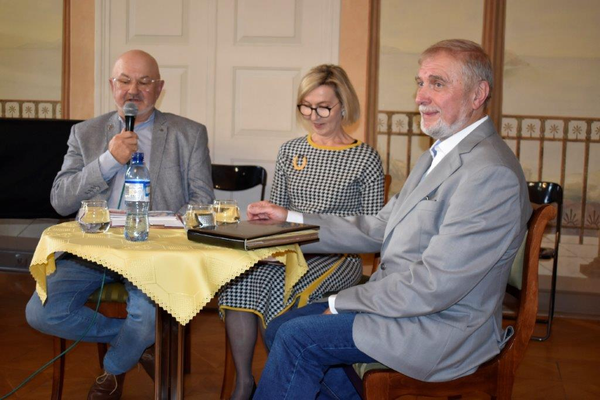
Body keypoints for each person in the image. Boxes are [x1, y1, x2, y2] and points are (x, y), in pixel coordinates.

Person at [247, 39, 533, 399]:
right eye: (420, 82)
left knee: (296, 336)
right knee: (282, 326)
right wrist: (289, 217)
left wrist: (339, 303)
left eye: (437, 83)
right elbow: (378, 227)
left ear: (478, 94)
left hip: (441, 328)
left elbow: (435, 284)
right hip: (407, 310)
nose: (420, 97)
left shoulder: (490, 173)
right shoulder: (441, 154)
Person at [25, 49, 214, 400]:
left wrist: (166, 226)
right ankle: (138, 344)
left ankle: (113, 369)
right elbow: (61, 200)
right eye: (125, 81)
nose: (133, 90)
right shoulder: (85, 133)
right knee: (41, 313)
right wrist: (109, 160)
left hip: (153, 252)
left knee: (146, 316)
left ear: (159, 88)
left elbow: (202, 202)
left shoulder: (189, 133)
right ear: (112, 85)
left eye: (144, 82)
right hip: (93, 250)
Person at [218, 64, 384, 399]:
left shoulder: (365, 158)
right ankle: (244, 382)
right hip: (288, 249)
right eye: (306, 107)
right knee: (239, 281)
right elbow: (277, 213)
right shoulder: (291, 150)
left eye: (323, 107)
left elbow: (372, 231)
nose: (313, 116)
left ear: (344, 105)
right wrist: (261, 220)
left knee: (287, 291)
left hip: (339, 256)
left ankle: (287, 377)